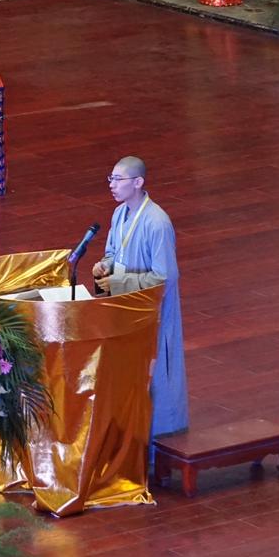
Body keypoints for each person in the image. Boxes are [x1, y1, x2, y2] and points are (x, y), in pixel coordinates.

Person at [92, 156, 188, 440]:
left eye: (117, 179)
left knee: (154, 368)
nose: (112, 185)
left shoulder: (157, 223)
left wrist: (120, 281)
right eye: (110, 178)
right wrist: (104, 266)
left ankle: (160, 429)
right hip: (126, 305)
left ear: (138, 182)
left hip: (150, 309)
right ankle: (129, 426)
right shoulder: (118, 213)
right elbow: (113, 252)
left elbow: (164, 277)